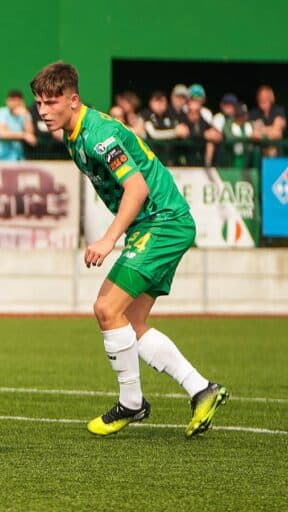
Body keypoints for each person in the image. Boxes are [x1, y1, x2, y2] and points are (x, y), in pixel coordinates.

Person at [29, 61, 228, 438]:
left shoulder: (99, 134)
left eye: (51, 102)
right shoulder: (74, 135)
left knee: (106, 308)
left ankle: (132, 404)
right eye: (39, 103)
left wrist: (108, 239)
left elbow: (137, 189)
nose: (43, 111)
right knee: (130, 325)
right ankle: (202, 390)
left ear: (73, 100)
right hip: (157, 225)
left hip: (162, 223)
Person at [0, 89, 36, 160]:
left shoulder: (25, 114)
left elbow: (30, 134)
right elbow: (2, 134)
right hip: (2, 158)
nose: (12, 103)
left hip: (19, 158)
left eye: (15, 101)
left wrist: (25, 115)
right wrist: (23, 135)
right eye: (10, 100)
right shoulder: (2, 112)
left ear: (21, 102)